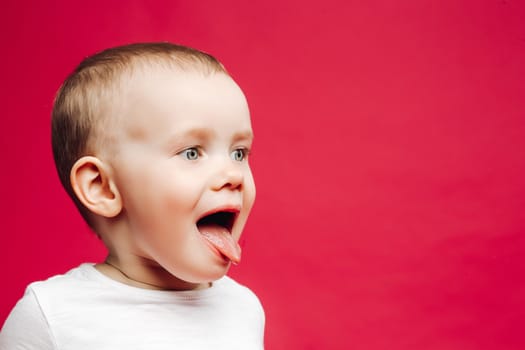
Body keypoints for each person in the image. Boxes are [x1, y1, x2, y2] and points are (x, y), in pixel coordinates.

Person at [0, 42, 265, 349]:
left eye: (239, 153)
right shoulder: (50, 316)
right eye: (192, 153)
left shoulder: (244, 309)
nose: (233, 175)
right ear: (101, 187)